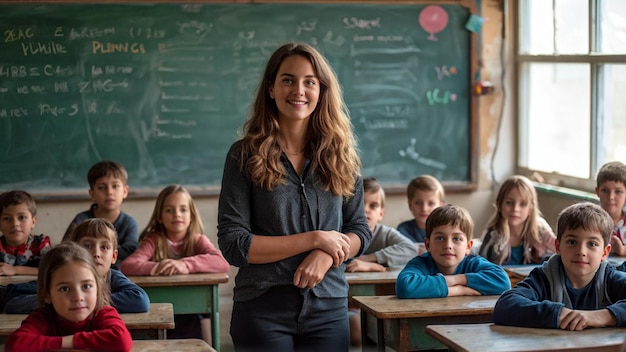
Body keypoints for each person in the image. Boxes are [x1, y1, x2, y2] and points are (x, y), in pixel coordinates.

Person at [217, 42, 372, 352]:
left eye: (309, 82)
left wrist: (327, 253)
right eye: (288, 79)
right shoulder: (244, 155)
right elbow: (234, 244)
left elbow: (359, 230)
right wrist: (315, 239)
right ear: (271, 89)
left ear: (321, 90)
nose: (298, 90)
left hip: (328, 308)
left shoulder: (341, 156)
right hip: (262, 308)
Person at [121, 184, 229, 344]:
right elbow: (128, 265)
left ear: (191, 215)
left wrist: (185, 265)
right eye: (169, 210)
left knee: (200, 322)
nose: (177, 215)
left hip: (192, 308)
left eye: (183, 209)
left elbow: (221, 262)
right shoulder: (154, 240)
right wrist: (157, 267)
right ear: (159, 216)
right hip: (161, 304)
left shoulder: (198, 240)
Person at [493, 202, 626, 330]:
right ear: (557, 246)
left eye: (592, 244)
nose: (581, 251)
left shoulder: (610, 279)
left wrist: (602, 316)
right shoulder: (545, 278)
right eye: (572, 242)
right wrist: (558, 314)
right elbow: (505, 305)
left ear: (605, 252)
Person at [3, 218, 150, 314]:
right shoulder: (62, 278)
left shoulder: (112, 276)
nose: (96, 253)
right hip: (34, 289)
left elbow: (140, 300)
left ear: (114, 256)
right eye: (88, 246)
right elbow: (13, 305)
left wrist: (86, 302)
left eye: (104, 247)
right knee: (12, 291)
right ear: (75, 250)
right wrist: (61, 300)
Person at [5, 241, 132, 352]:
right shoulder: (44, 317)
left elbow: (121, 340)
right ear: (46, 295)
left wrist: (63, 342)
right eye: (65, 289)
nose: (78, 297)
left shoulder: (102, 312)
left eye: (86, 286)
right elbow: (15, 344)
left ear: (98, 289)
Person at [345, 177, 415, 346]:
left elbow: (410, 249)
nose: (366, 210)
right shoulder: (342, 232)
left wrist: (370, 259)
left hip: (379, 301)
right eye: (361, 204)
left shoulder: (385, 234)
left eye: (373, 206)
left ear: (381, 213)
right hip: (348, 303)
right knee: (358, 331)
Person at [396, 204, 510, 299]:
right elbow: (405, 287)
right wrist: (458, 290)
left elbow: (503, 282)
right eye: (440, 238)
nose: (448, 245)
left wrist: (459, 279)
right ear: (427, 244)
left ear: (468, 246)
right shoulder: (421, 264)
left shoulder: (473, 263)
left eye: (457, 239)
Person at [63, 160, 138, 269]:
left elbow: (131, 251)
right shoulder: (82, 219)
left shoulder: (129, 222)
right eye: (102, 187)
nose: (109, 192)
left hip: (119, 274)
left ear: (125, 191)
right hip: (84, 270)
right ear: (92, 193)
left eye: (115, 186)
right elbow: (67, 248)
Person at [479, 175, 556, 265]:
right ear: (499, 205)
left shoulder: (541, 229)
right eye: (509, 203)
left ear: (531, 208)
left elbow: (561, 252)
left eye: (522, 204)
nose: (515, 209)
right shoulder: (492, 234)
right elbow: (482, 266)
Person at [0, 190, 51, 276]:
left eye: (21, 217)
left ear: (33, 222)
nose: (15, 224)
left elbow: (53, 270)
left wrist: (15, 270)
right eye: (7, 219)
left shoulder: (40, 244)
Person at [397, 175, 445, 247]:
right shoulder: (403, 230)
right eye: (418, 203)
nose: (424, 209)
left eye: (431, 203)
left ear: (441, 206)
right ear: (410, 205)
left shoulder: (447, 229)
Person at [594, 161, 626, 256]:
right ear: (597, 191)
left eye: (618, 191)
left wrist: (623, 251)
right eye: (605, 190)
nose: (611, 197)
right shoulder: (589, 221)